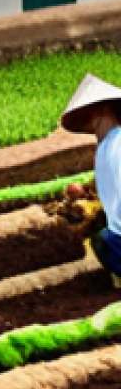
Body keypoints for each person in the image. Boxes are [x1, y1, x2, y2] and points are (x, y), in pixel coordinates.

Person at [61, 74, 121, 288]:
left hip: (116, 247)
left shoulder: (111, 146)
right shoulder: (107, 147)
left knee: (101, 239)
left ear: (102, 111)